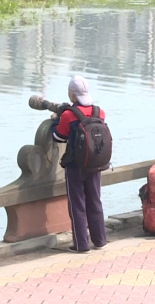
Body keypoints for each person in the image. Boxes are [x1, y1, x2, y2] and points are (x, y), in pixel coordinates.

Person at [52, 76, 107, 253]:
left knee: (77, 203)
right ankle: (100, 240)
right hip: (95, 163)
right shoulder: (100, 112)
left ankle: (81, 244)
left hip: (76, 165)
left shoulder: (69, 115)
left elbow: (59, 137)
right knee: (95, 200)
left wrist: (55, 121)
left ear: (71, 94)